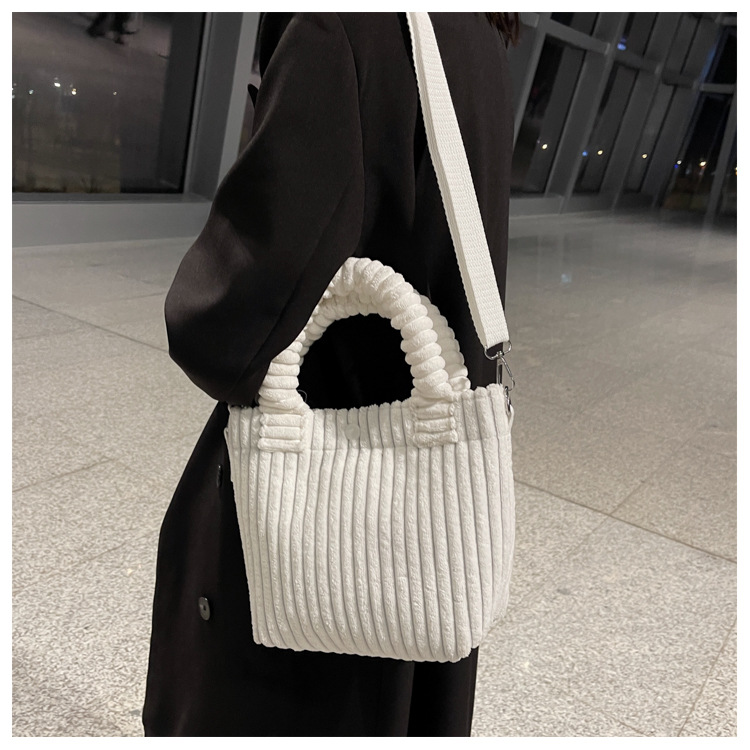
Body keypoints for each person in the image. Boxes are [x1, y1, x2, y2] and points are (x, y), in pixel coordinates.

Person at [143, 12, 519, 737]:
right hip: (427, 511)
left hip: (324, 505)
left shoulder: (343, 24)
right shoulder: (478, 31)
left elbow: (233, 320)